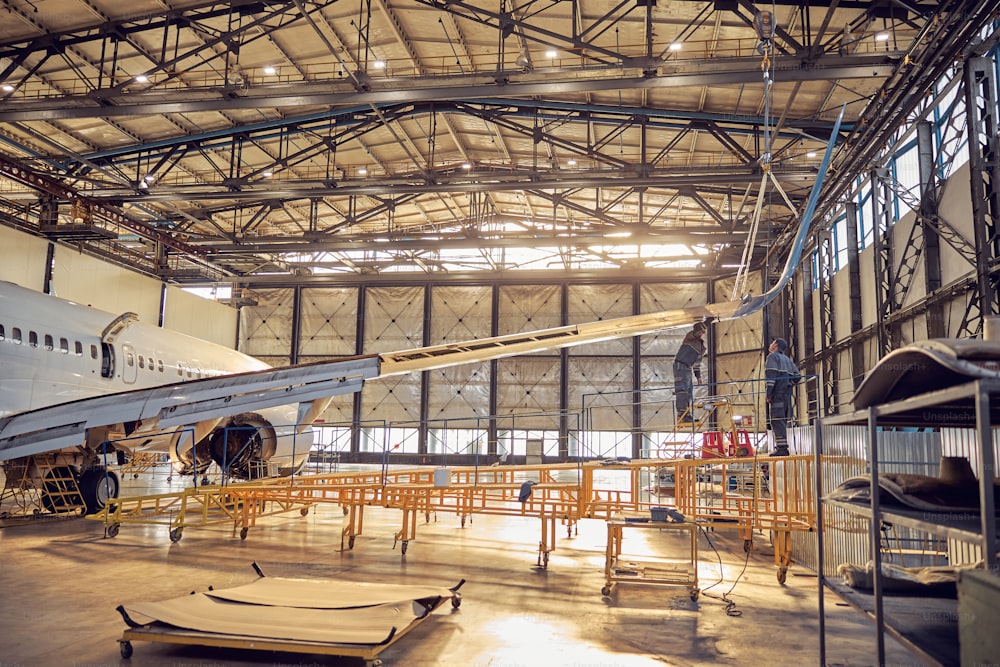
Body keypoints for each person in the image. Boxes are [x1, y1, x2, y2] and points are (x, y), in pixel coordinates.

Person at [765, 337, 800, 456]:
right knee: (782, 420)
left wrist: (769, 394)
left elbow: (771, 376)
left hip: (777, 395)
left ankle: (782, 449)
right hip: (786, 395)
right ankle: (782, 447)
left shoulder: (772, 357)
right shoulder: (788, 360)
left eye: (772, 342)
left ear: (776, 345)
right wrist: (788, 385)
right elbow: (797, 376)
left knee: (776, 420)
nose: (771, 344)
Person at [673, 321, 707, 423]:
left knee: (689, 393)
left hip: (687, 368)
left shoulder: (701, 348)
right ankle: (682, 415)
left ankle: (687, 415)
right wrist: (708, 321)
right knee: (682, 391)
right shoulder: (689, 338)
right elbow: (695, 332)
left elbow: (697, 364)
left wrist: (698, 377)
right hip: (680, 365)